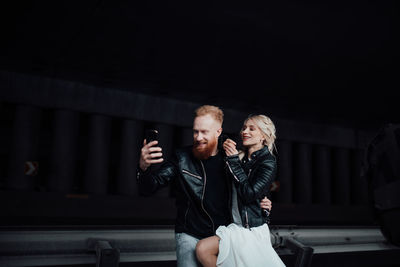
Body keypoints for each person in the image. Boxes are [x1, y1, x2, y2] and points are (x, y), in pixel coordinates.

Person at [136, 105, 272, 267]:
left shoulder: (232, 157)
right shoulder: (182, 158)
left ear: (218, 132)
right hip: (190, 234)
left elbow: (249, 189)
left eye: (205, 132)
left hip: (223, 235)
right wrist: (143, 168)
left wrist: (263, 204)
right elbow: (148, 188)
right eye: (196, 131)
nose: (199, 137)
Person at [195, 114, 285, 267]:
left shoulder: (268, 162)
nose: (245, 131)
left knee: (203, 249)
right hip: (235, 225)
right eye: (244, 128)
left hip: (250, 230)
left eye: (251, 129)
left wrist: (233, 162)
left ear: (263, 136)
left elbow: (249, 193)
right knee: (203, 250)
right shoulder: (241, 158)